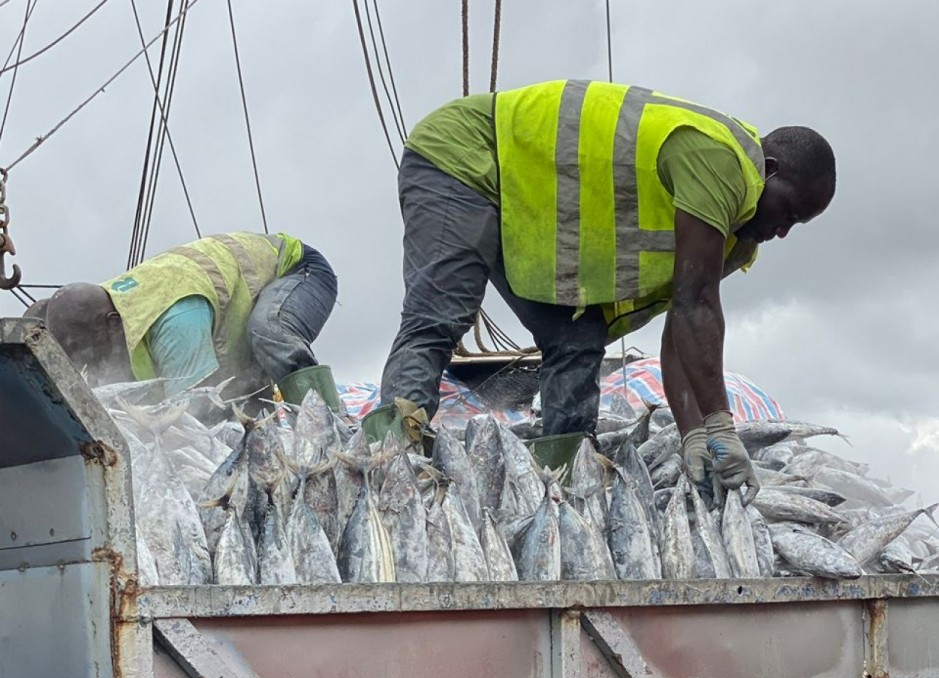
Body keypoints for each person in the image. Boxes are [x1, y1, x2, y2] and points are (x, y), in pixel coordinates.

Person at [378, 80, 836, 495]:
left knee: (577, 339)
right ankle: (391, 460)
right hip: (465, 154)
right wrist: (720, 425)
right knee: (441, 314)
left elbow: (683, 326)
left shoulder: (737, 240)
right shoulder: (720, 160)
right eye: (790, 211)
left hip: (528, 201)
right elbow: (696, 303)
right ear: (769, 170)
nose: (783, 232)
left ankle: (560, 484)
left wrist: (694, 432)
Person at [43, 230, 339, 406]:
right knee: (242, 402)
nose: (92, 363)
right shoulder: (116, 316)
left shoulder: (174, 319)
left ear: (110, 323)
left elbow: (199, 410)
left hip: (299, 271)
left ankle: (327, 426)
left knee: (268, 330)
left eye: (88, 350)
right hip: (241, 308)